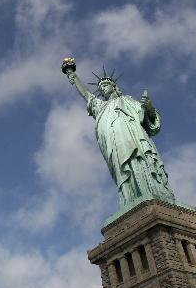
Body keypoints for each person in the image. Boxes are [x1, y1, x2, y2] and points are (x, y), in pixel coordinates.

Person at [62, 58, 177, 213]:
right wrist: (73, 75)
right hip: (115, 143)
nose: (102, 88)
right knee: (123, 170)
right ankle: (131, 199)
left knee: (140, 162)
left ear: (114, 86)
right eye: (100, 87)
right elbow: (86, 94)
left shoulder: (128, 101)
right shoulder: (100, 107)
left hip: (135, 139)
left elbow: (150, 122)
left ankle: (154, 194)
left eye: (105, 85)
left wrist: (149, 108)